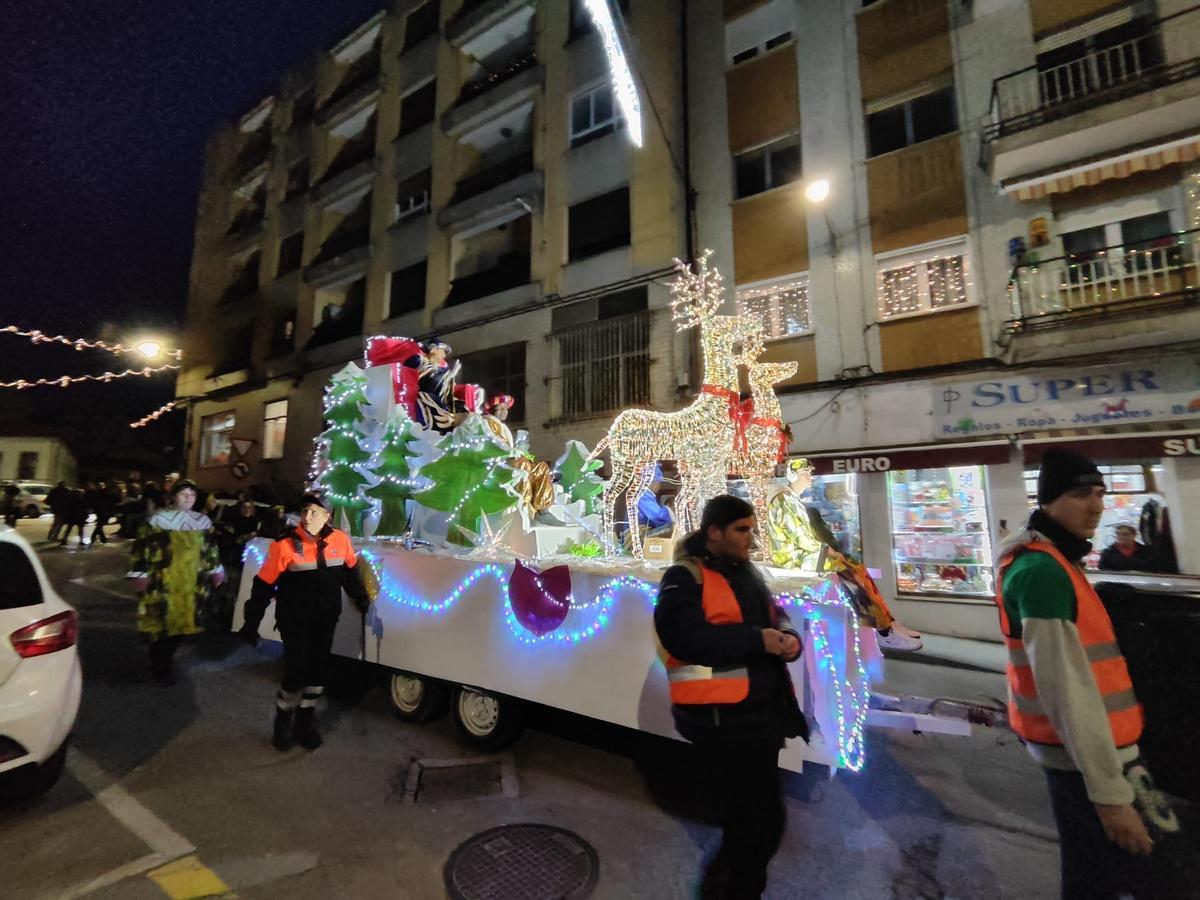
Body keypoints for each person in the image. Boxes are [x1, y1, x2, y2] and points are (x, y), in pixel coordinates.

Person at [995, 448, 1185, 899]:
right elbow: (1067, 691)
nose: (1097, 505)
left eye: (1100, 492)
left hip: (1096, 757)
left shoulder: (1058, 561)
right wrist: (1109, 795)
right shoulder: (1041, 570)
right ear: (1047, 501)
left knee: (1095, 881)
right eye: (1081, 494)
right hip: (1089, 765)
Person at [654, 495, 806, 900]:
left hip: (761, 717)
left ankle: (733, 887)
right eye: (742, 530)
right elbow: (684, 637)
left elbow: (775, 614)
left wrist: (790, 638)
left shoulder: (746, 572)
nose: (750, 538)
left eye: (751, 529)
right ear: (714, 532)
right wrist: (758, 640)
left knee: (753, 823)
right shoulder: (683, 577)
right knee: (758, 825)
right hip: (722, 722)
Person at [239, 494, 372, 752]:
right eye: (305, 511)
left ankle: (305, 724)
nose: (307, 516)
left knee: (317, 674)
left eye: (314, 511)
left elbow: (350, 575)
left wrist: (362, 599)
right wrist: (251, 621)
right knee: (296, 672)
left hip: (325, 619)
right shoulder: (284, 545)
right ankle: (283, 722)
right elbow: (263, 586)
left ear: (327, 516)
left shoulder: (341, 540)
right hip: (294, 620)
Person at [131, 480, 225, 684]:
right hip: (163, 581)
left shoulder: (202, 521)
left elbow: (210, 549)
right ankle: (160, 665)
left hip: (191, 583)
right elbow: (142, 548)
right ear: (173, 496)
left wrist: (215, 570)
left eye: (192, 494)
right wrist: (140, 573)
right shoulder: (157, 520)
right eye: (183, 494)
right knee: (161, 626)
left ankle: (165, 659)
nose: (188, 497)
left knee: (182, 625)